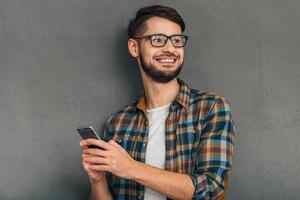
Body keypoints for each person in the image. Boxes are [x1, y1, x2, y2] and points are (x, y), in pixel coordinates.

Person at [80, 5, 234, 200]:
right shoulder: (118, 123)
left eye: (177, 40)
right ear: (134, 47)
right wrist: (98, 181)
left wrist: (131, 168)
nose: (170, 49)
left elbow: (212, 190)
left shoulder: (211, 108)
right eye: (158, 39)